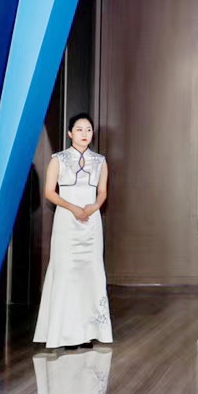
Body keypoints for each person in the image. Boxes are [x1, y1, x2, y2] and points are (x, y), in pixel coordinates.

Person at [35, 113, 113, 348]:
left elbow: (103, 192)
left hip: (91, 223)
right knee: (66, 273)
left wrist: (93, 207)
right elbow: (49, 192)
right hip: (67, 223)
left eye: (88, 129)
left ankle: (88, 332)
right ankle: (65, 334)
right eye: (79, 129)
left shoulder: (100, 161)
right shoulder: (58, 159)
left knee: (91, 273)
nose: (84, 134)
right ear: (70, 133)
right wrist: (73, 208)